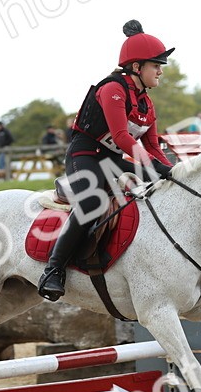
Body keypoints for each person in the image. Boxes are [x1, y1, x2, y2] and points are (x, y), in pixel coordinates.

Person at [37, 19, 175, 301]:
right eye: (156, 65)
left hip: (111, 160)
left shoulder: (147, 104)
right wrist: (154, 166)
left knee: (161, 185)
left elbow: (153, 146)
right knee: (92, 203)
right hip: (84, 155)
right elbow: (122, 137)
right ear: (136, 67)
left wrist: (173, 172)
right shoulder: (113, 89)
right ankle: (53, 270)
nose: (161, 70)